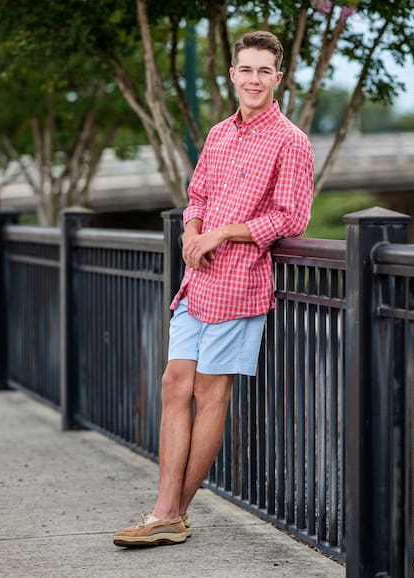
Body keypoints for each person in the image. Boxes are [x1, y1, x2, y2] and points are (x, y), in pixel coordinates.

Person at [113, 30, 314, 547]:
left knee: (209, 392)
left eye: (263, 71)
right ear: (232, 75)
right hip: (197, 282)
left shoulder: (291, 141)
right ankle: (167, 513)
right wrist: (191, 230)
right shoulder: (220, 133)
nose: (253, 79)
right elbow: (197, 193)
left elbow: (293, 216)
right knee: (174, 384)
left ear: (278, 79)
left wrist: (224, 232)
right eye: (245, 70)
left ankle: (171, 512)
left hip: (241, 286)